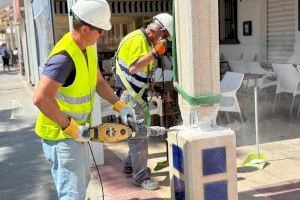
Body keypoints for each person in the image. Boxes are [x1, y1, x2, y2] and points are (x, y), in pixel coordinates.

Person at [32, 0, 135, 199]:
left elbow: (99, 83)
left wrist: (119, 105)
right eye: (100, 30)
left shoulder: (87, 49)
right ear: (86, 28)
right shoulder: (64, 58)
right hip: (61, 136)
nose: (103, 34)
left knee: (82, 182)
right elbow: (40, 98)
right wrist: (70, 128)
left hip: (76, 133)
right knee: (73, 194)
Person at [115, 13, 173, 191]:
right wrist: (155, 53)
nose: (163, 41)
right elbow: (133, 68)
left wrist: (156, 88)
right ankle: (140, 177)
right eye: (164, 37)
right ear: (158, 30)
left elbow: (143, 71)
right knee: (140, 136)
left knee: (137, 132)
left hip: (136, 94)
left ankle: (130, 165)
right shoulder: (139, 39)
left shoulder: (145, 41)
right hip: (130, 95)